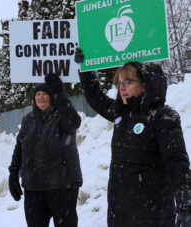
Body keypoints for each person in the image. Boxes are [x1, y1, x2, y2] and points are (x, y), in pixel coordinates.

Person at [74, 48, 191, 227]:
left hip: (153, 216)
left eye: (128, 82)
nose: (121, 88)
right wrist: (86, 70)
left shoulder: (162, 117)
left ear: (146, 84)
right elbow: (95, 97)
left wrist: (185, 204)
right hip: (119, 214)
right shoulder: (122, 113)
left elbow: (177, 164)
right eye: (119, 83)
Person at [8, 72, 83, 227]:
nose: (41, 97)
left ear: (51, 96)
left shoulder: (61, 115)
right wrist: (13, 172)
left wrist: (59, 92)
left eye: (45, 94)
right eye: (38, 94)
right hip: (34, 188)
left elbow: (74, 122)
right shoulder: (28, 119)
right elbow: (20, 146)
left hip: (62, 186)